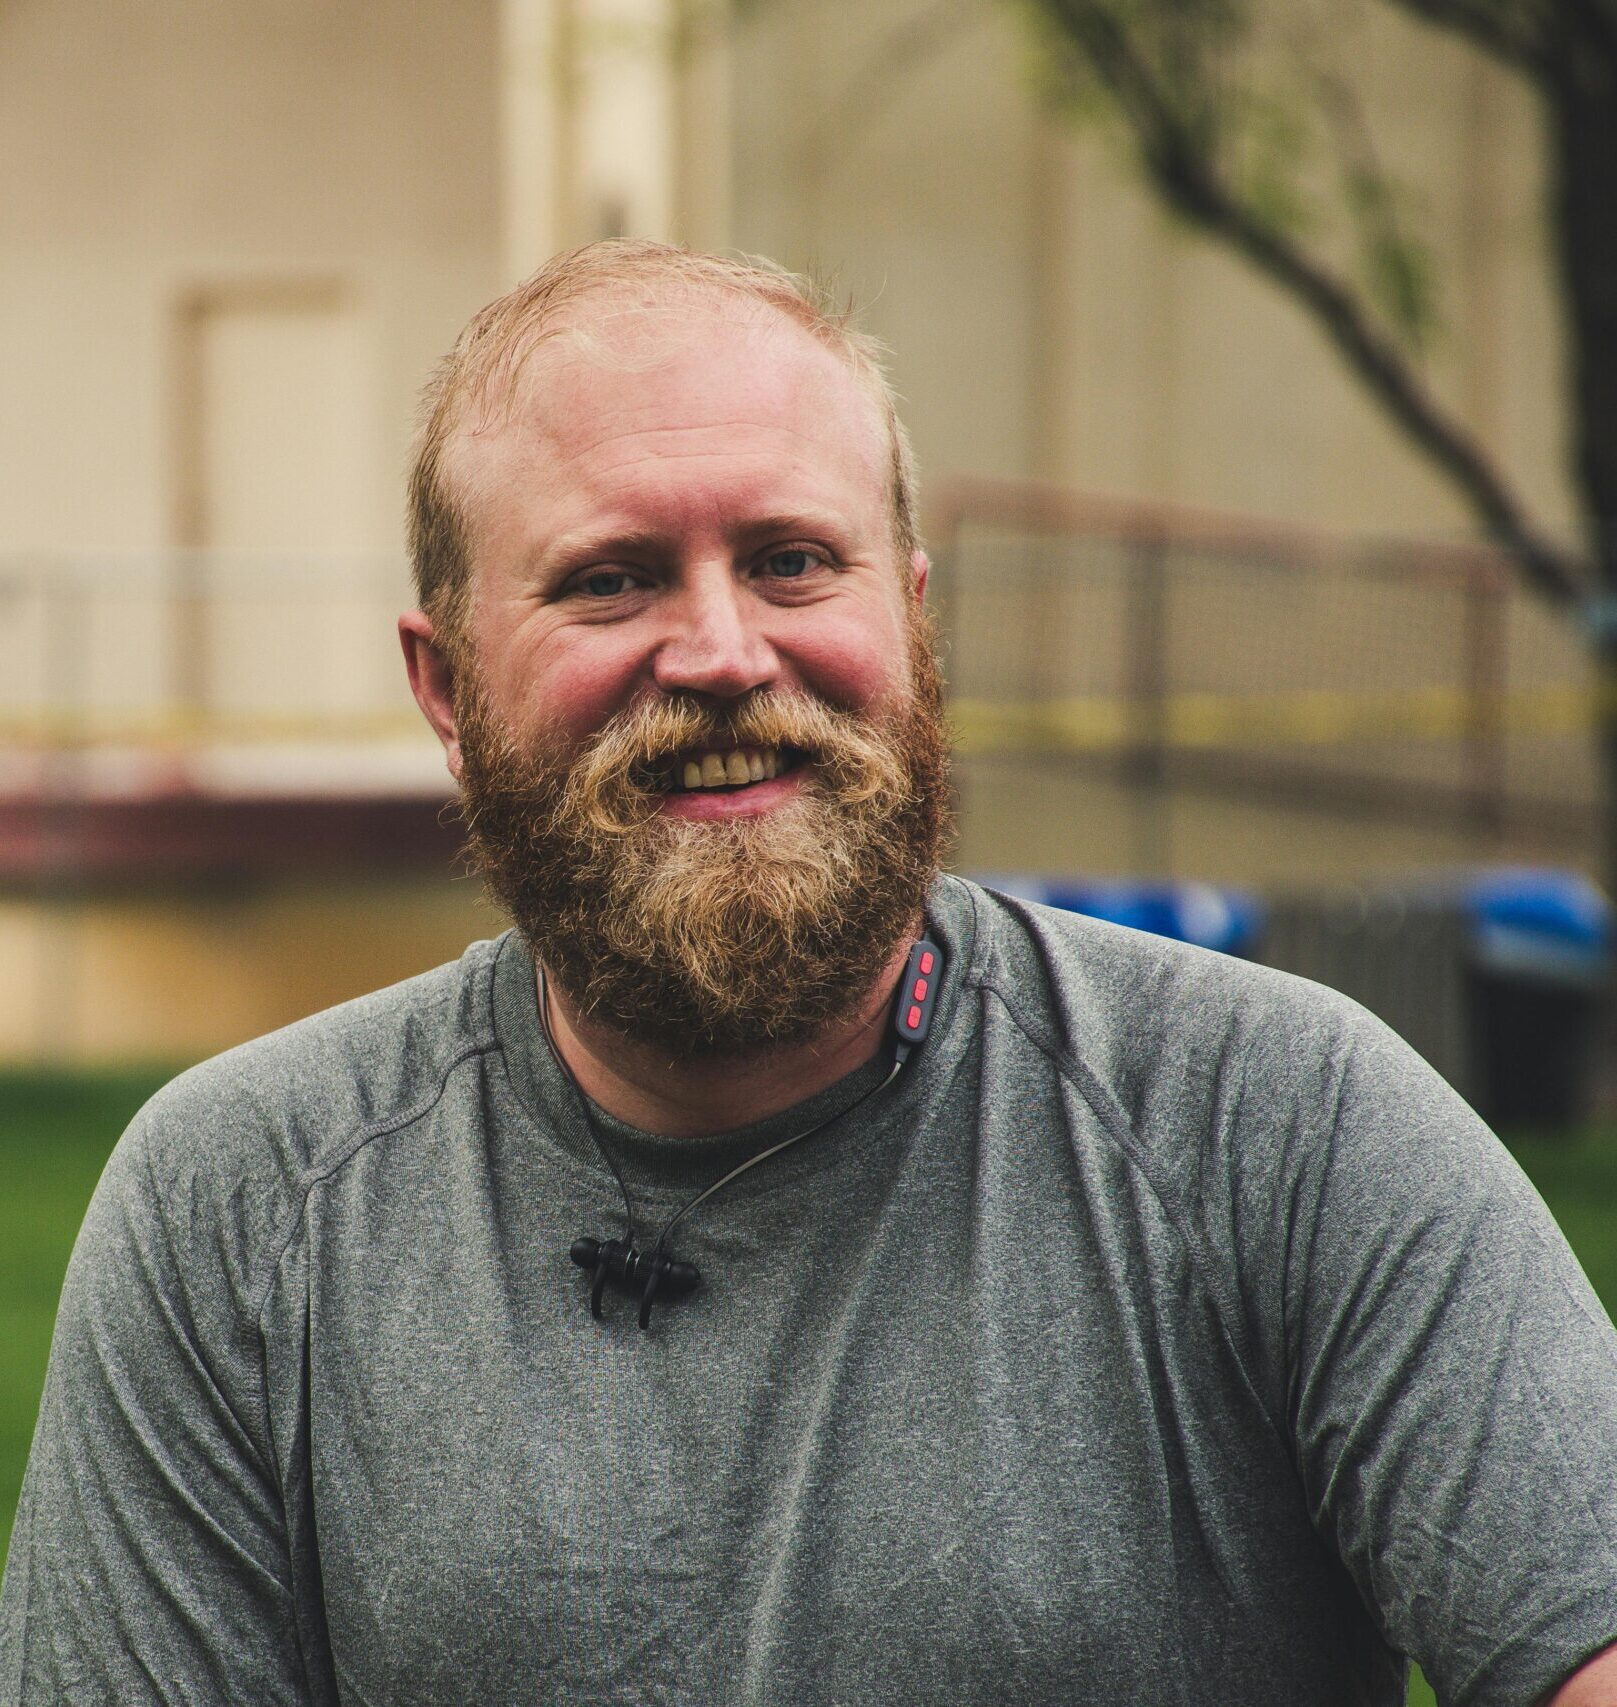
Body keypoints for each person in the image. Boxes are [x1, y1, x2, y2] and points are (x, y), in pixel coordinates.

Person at [3, 240, 1615, 1707]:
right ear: (444, 684)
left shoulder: (1278, 1124)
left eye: (789, 560)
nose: (718, 654)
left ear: (910, 623)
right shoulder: (241, 1214)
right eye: (607, 576)